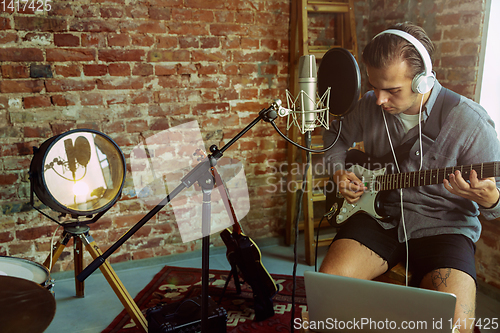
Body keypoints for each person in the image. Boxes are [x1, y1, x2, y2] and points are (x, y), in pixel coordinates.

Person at [321, 22, 500, 333]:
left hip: (444, 226)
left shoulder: (471, 123)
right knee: (328, 294)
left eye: (391, 90)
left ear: (422, 82)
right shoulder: (369, 105)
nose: (378, 99)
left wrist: (491, 200)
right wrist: (338, 170)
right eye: (374, 86)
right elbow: (334, 137)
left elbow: (498, 199)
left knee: (457, 325)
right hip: (379, 218)